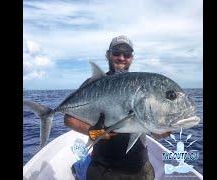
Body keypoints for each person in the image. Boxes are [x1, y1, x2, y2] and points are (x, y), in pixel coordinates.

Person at [64, 35, 171, 180]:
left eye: (126, 54)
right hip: (103, 168)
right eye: (116, 52)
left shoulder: (139, 86)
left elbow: (145, 123)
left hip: (140, 167)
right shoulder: (92, 84)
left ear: (131, 58)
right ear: (108, 55)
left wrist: (159, 130)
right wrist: (93, 133)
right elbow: (69, 120)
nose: (121, 57)